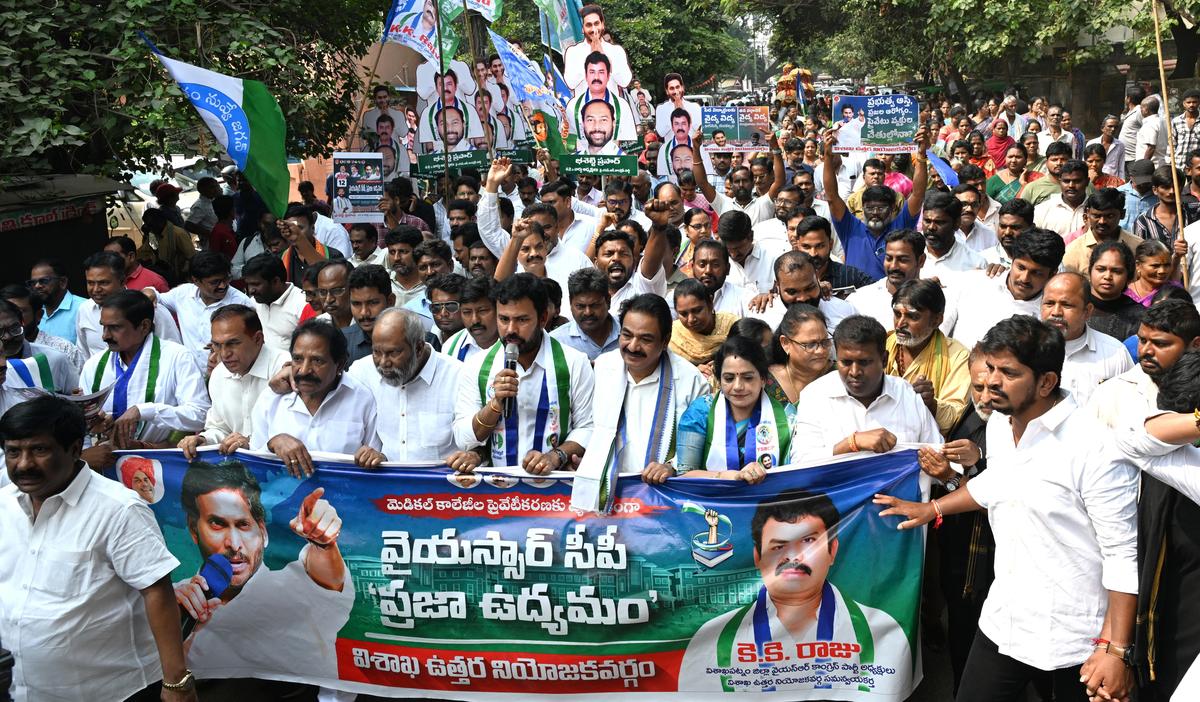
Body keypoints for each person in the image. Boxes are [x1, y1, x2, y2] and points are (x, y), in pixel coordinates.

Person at [875, 315, 1138, 702]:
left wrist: (1115, 650)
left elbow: (1122, 554)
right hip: (1004, 621)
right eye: (991, 368)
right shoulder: (1002, 423)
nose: (992, 382)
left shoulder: (1094, 447)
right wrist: (932, 508)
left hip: (1077, 638)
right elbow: (998, 483)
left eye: (1008, 372)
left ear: (1047, 382)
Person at [0, 396, 196, 701]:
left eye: (39, 450)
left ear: (75, 449)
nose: (24, 464)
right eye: (13, 452)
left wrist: (176, 683)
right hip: (21, 689)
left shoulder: (120, 510)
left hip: (110, 691)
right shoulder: (3, 505)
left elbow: (157, 591)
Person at [677, 487, 911, 695]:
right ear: (758, 557)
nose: (793, 557)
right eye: (778, 546)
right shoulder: (714, 640)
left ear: (833, 550)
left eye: (808, 541)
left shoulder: (880, 630)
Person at [172, 459, 353, 683]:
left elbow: (326, 580)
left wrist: (324, 545)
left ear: (263, 532)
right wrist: (173, 627)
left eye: (243, 525)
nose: (234, 543)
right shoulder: (172, 600)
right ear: (193, 530)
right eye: (217, 524)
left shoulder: (295, 586)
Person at [574, 294, 709, 504]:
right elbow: (590, 425)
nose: (633, 346)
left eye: (645, 339)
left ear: (665, 341)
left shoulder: (690, 380)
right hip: (608, 495)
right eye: (626, 335)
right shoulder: (603, 367)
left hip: (663, 499)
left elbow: (700, 444)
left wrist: (671, 467)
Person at [452, 274, 594, 471]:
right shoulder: (476, 366)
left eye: (522, 320)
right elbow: (463, 438)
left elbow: (588, 428)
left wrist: (555, 457)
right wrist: (495, 404)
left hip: (553, 488)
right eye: (503, 319)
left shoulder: (574, 362)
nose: (511, 329)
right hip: (496, 491)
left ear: (543, 318)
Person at [792, 315, 944, 461]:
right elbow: (801, 463)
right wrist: (851, 444)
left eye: (864, 362)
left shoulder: (907, 395)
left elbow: (937, 453)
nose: (854, 372)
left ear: (884, 360)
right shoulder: (815, 396)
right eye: (846, 362)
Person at [79, 290, 209, 453]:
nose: (105, 336)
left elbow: (200, 414)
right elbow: (83, 429)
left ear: (144, 326)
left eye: (115, 327)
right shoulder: (94, 365)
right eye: (103, 327)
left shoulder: (177, 357)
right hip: (106, 461)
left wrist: (144, 411)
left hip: (158, 462)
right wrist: (97, 422)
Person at [250, 320, 382, 472]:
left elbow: (375, 458)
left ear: (339, 364)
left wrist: (373, 457)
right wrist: (272, 444)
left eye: (317, 361)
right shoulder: (272, 398)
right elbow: (253, 463)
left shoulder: (362, 400)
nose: (304, 370)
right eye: (298, 359)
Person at [347, 308, 468, 464]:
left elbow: (476, 443)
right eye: (376, 352)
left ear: (418, 348)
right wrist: (377, 457)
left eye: (393, 353)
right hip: (387, 484)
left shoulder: (457, 376)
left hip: (439, 487)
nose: (384, 363)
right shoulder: (362, 373)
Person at [178, 305, 288, 459]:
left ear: (258, 339)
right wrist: (203, 440)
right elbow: (220, 427)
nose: (224, 354)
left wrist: (252, 444)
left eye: (233, 343)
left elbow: (300, 431)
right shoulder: (218, 375)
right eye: (217, 345)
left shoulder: (286, 368)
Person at [821, 124, 930, 280]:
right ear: (862, 208)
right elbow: (832, 196)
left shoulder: (900, 227)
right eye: (870, 208)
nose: (875, 213)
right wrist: (828, 156)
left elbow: (918, 195)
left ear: (893, 208)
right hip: (855, 300)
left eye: (881, 208)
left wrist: (921, 155)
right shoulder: (850, 228)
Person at [675, 335, 790, 478]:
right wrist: (726, 476)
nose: (738, 386)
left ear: (763, 379)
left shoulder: (786, 416)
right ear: (719, 380)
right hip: (709, 498)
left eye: (748, 378)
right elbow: (684, 475)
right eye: (729, 378)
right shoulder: (700, 413)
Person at [945, 228, 1065, 350]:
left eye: (1036, 273)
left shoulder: (1050, 314)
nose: (1024, 279)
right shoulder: (971, 282)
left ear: (1052, 274)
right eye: (1021, 268)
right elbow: (939, 331)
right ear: (1012, 261)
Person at [1089, 298, 1200, 430]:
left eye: (1160, 344)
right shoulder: (1110, 394)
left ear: (1196, 345)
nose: (1146, 350)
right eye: (1142, 340)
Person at [885, 280, 971, 436]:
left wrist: (931, 404)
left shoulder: (958, 355)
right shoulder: (881, 345)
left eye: (912, 316)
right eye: (897, 314)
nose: (900, 324)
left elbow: (956, 417)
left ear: (937, 320)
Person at [1039, 272, 1133, 406]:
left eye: (1067, 305)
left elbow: (1129, 406)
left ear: (1088, 311)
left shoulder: (1115, 353)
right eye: (1049, 303)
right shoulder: (1023, 349)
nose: (1056, 312)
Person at [149, 251, 252, 371]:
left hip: (227, 375)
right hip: (189, 374)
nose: (223, 286)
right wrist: (149, 291)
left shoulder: (242, 303)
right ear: (196, 281)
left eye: (226, 279)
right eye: (215, 282)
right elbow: (156, 298)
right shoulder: (182, 294)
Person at [76, 251, 182, 358]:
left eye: (103, 283)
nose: (96, 289)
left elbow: (174, 355)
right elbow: (83, 354)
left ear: (122, 281)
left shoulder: (151, 309)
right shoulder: (84, 310)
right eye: (90, 283)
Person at [748, 250, 855, 331]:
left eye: (809, 288)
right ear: (778, 286)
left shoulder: (845, 312)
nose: (803, 298)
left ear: (817, 277)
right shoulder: (760, 319)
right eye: (792, 292)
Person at [848, 228, 926, 329]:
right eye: (889, 258)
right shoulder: (858, 301)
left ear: (921, 261)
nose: (893, 266)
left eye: (902, 260)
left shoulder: (932, 300)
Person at [0, 284, 86, 374]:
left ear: (39, 315)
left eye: (19, 312)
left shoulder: (63, 350)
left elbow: (81, 385)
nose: (7, 336)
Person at [0, 299, 78, 394]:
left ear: (23, 324)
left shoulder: (54, 359)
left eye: (14, 329)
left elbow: (77, 398)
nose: (7, 337)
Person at [1062, 188, 1144, 275]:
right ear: (1087, 214)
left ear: (1122, 214)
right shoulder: (1073, 250)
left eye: (1110, 216)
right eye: (1096, 216)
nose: (1102, 221)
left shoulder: (1138, 247)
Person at [766, 303, 834, 406]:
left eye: (825, 342)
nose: (820, 351)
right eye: (810, 345)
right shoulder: (765, 381)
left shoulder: (839, 376)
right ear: (785, 343)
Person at [241, 252, 309, 354]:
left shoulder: (303, 304)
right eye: (248, 284)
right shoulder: (254, 302)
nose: (251, 290)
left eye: (256, 284)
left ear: (276, 281)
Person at [550, 267, 619, 361]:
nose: (588, 312)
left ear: (608, 301)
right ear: (570, 303)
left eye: (594, 305)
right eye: (580, 306)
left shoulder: (629, 332)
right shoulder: (556, 342)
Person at [790, 215, 872, 291]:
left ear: (831, 244)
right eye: (806, 247)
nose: (813, 253)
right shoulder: (789, 276)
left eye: (820, 246)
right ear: (797, 246)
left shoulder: (852, 276)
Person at [669, 279, 737, 369]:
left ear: (710, 303)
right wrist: (694, 372)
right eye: (683, 314)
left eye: (697, 311)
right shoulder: (673, 336)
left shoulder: (732, 326)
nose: (691, 319)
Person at [1086, 241, 1146, 341]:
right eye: (1101, 269)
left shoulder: (1139, 316)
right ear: (1090, 270)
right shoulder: (1076, 306)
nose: (1107, 276)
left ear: (1128, 276)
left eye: (1116, 271)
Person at [921, 191, 986, 278]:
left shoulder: (975, 263)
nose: (931, 227)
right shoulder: (910, 255)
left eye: (939, 222)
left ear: (957, 224)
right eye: (927, 221)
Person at [278, 205, 344, 287]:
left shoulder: (334, 255)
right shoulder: (280, 259)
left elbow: (333, 281)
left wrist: (299, 239)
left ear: (312, 228)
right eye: (290, 228)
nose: (294, 232)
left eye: (299, 228)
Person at [28, 258, 87, 343]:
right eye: (33, 283)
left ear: (62, 282)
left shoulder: (83, 308)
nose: (37, 286)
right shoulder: (32, 311)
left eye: (44, 281)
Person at [441, 275, 499, 362]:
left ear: (499, 310)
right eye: (467, 312)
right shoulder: (450, 347)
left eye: (482, 311)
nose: (475, 320)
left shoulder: (514, 345)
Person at [1133, 165, 1195, 245]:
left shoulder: (1195, 212)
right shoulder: (1143, 222)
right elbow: (1139, 253)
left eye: (1175, 187)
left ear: (1182, 188)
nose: (1171, 191)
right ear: (1155, 190)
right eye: (1166, 187)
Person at [1125, 239, 1181, 307]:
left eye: (1167, 265)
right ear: (1138, 265)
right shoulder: (1125, 294)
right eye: (1155, 266)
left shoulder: (1175, 292)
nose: (1162, 271)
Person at [103, 236, 169, 293]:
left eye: (114, 256)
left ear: (131, 257)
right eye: (106, 257)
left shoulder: (156, 282)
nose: (109, 261)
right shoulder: (108, 280)